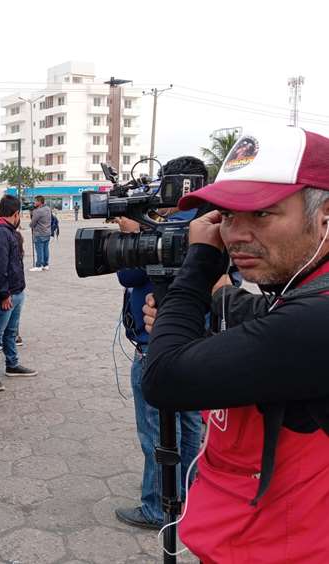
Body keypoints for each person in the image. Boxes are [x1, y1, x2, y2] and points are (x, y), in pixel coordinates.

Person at [141, 126, 329, 562]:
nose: (235, 234)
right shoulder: (302, 289)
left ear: (324, 217)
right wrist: (204, 310)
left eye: (262, 213)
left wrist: (198, 268)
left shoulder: (317, 317)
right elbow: (261, 318)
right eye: (225, 215)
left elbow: (165, 379)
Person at [112, 196, 202, 530]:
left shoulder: (169, 231)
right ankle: (188, 492)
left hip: (157, 348)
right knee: (190, 421)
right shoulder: (208, 226)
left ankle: (157, 507)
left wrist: (133, 237)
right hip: (193, 343)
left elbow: (129, 275)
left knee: (158, 430)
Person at [0, 195, 38, 391]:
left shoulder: (8, 232)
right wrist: (4, 294)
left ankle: (12, 364)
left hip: (16, 291)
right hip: (5, 295)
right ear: (15, 214)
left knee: (11, 332)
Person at [30, 195, 52, 272]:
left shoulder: (37, 211)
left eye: (35, 201)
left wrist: (31, 224)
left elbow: (33, 223)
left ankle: (39, 265)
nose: (34, 203)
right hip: (47, 232)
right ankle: (46, 265)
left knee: (39, 249)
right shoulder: (48, 209)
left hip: (39, 233)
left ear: (39, 202)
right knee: (46, 249)